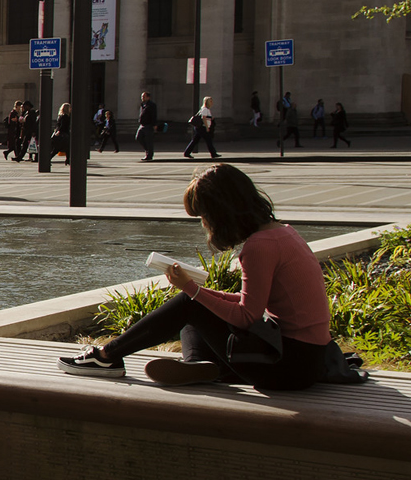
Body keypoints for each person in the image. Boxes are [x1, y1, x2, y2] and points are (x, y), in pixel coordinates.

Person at [59, 163, 331, 390]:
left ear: (221, 213)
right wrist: (192, 289)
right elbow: (248, 301)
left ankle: (106, 356)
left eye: (204, 216)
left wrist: (192, 289)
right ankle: (199, 366)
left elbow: (246, 316)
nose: (205, 224)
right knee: (194, 303)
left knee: (192, 303)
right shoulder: (283, 232)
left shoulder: (259, 247)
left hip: (285, 369)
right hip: (306, 361)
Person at [136, 91, 158, 161]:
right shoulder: (142, 104)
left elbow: (154, 115)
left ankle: (149, 155)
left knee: (149, 141)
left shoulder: (151, 105)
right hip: (142, 124)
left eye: (144, 96)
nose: (142, 98)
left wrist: (154, 124)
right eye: (142, 96)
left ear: (148, 97)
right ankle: (147, 150)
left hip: (149, 124)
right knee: (138, 137)